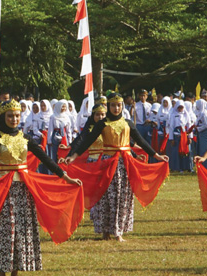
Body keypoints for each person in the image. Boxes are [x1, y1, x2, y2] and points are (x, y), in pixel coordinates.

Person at [0, 99, 83, 276]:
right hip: (3, 190)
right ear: (3, 117)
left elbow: (45, 159)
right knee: (7, 230)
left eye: (17, 116)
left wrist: (65, 176)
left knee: (22, 230)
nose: (13, 119)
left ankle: (16, 273)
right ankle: (1, 273)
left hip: (24, 190)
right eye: (10, 116)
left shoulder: (25, 138)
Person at [61, 93, 169, 241]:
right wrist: (72, 156)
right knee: (105, 196)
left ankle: (118, 231)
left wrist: (156, 155)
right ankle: (105, 230)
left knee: (122, 197)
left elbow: (141, 141)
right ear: (109, 106)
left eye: (119, 105)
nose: (116, 108)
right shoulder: (102, 124)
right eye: (113, 105)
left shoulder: (128, 123)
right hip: (107, 163)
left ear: (122, 106)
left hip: (125, 164)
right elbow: (87, 140)